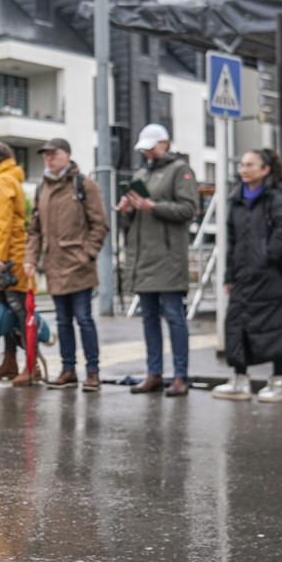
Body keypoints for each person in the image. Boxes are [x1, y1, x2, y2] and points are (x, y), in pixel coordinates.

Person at [212, 149, 282, 403]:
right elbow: (232, 240)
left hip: (273, 276)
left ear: (265, 170)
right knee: (237, 325)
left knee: (276, 327)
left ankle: (278, 383)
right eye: (242, 164)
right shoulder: (237, 199)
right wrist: (229, 275)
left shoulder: (277, 197)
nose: (244, 169)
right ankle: (240, 381)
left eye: (251, 165)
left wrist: (267, 255)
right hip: (243, 276)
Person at [119, 123, 198, 397]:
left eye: (152, 147)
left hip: (168, 257)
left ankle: (180, 377)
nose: (148, 153)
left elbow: (189, 209)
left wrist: (153, 206)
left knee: (175, 317)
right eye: (145, 149)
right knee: (148, 318)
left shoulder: (180, 170)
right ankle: (154, 374)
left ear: (165, 143)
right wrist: (128, 210)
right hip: (144, 258)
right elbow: (138, 217)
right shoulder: (141, 173)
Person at [24, 138, 109, 391]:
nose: (49, 158)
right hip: (54, 266)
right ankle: (68, 370)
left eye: (54, 153)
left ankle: (92, 371)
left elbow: (100, 225)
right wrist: (30, 259)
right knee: (62, 321)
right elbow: (35, 230)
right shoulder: (43, 188)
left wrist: (88, 254)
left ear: (67, 155)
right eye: (45, 155)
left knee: (84, 319)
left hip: (79, 266)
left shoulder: (83, 184)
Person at [0, 141, 33, 387]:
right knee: (11, 311)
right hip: (11, 254)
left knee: (17, 311)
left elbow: (1, 224)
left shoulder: (1, 181)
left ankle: (28, 366)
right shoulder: (10, 177)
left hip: (8, 257)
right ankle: (11, 362)